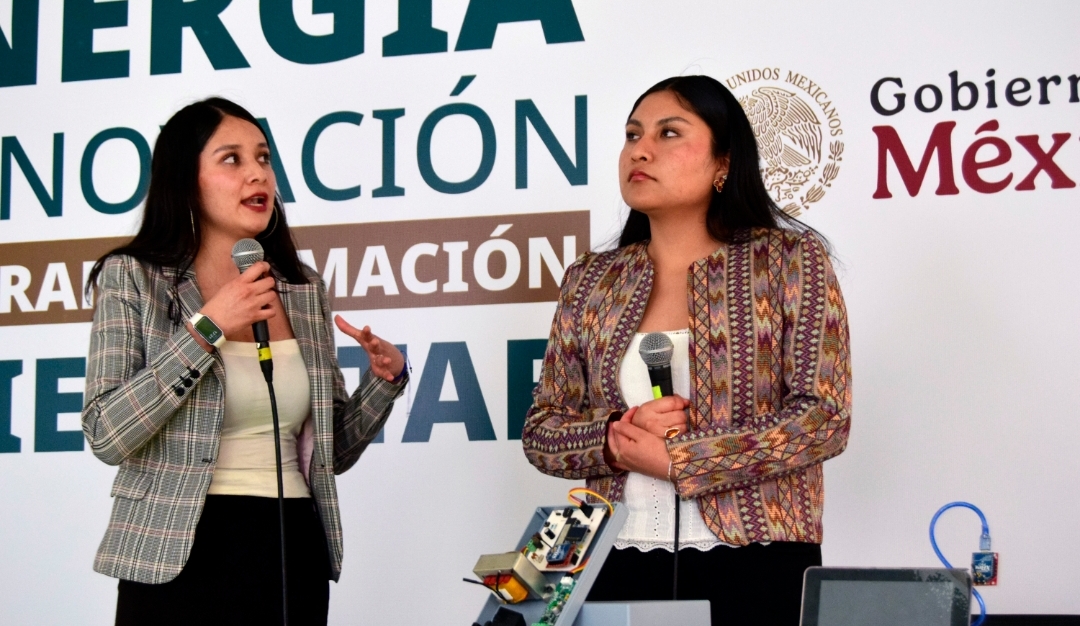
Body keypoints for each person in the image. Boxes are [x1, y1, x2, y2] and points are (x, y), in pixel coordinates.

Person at [521, 76, 851, 626]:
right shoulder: (591, 280)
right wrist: (615, 438)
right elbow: (541, 431)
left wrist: (682, 459)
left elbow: (824, 420)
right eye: (632, 135)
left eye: (669, 133)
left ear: (724, 162)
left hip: (756, 560)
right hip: (608, 556)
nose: (640, 150)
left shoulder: (789, 261)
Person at [81, 97, 407, 626]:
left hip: (290, 544)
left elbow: (332, 453)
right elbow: (106, 433)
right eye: (231, 159)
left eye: (263, 158)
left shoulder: (302, 289)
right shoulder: (133, 278)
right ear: (186, 180)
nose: (257, 173)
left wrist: (384, 382)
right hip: (177, 551)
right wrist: (208, 327)